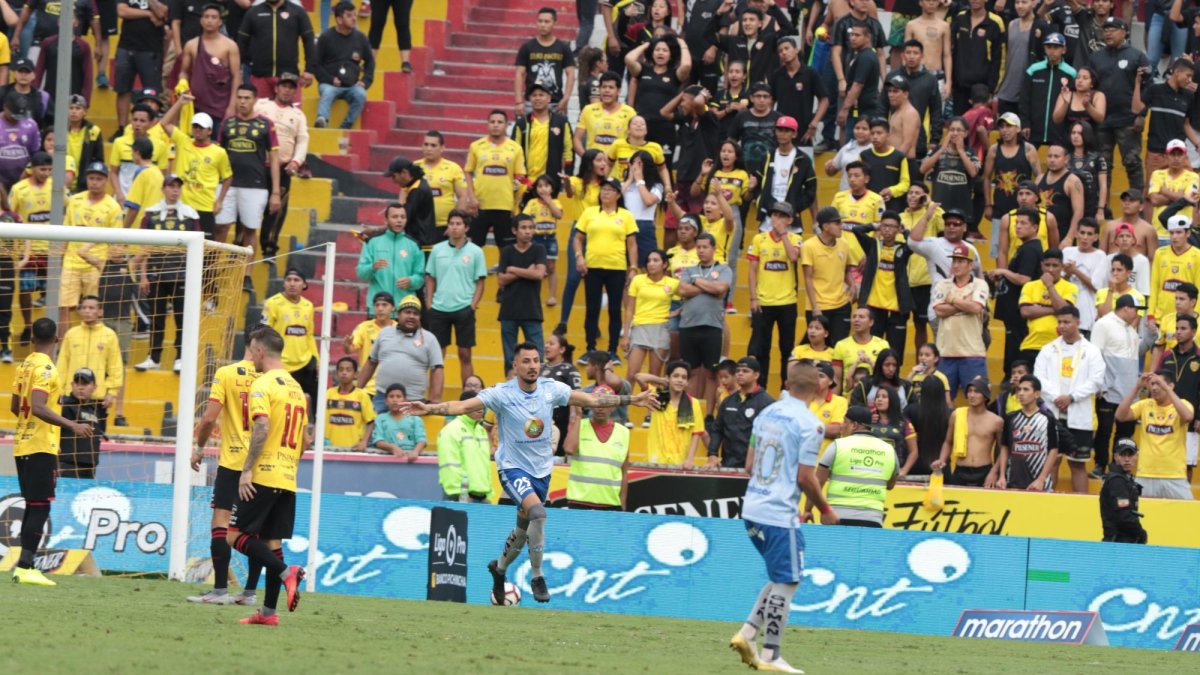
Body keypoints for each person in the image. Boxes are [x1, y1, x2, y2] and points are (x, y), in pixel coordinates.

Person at [403, 342, 657, 604]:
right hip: (513, 468)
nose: (532, 365)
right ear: (515, 366)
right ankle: (537, 575)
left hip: (541, 471)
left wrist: (633, 399)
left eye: (536, 360)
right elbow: (462, 406)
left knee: (523, 529)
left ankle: (499, 568)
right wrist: (429, 408)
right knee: (538, 513)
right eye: (526, 361)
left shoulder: (551, 390)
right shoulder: (502, 393)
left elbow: (591, 399)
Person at [730, 361, 836, 674]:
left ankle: (747, 633)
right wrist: (825, 509)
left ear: (787, 383)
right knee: (789, 580)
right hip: (778, 513)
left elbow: (750, 464)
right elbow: (806, 477)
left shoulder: (766, 413)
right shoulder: (811, 425)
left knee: (779, 577)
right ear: (819, 388)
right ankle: (771, 654)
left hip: (752, 508)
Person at [225, 327, 308, 626]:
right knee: (272, 542)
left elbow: (261, 427)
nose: (250, 357)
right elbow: (305, 439)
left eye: (251, 351)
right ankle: (268, 614)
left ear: (259, 350)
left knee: (234, 536)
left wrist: (247, 470)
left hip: (264, 473)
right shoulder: (297, 389)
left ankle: (289, 573)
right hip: (287, 476)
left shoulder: (262, 383)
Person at [10, 318, 93, 586]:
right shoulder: (47, 369)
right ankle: (25, 566)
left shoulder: (24, 366)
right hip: (40, 446)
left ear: (32, 338)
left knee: (33, 506)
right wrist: (72, 424)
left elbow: (15, 406)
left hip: (22, 443)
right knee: (41, 506)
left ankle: (25, 565)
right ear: (56, 340)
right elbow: (38, 406)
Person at [189, 342, 262, 605]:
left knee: (220, 522)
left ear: (249, 344)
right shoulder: (273, 379)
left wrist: (199, 448)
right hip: (262, 463)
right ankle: (250, 593)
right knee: (256, 530)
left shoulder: (227, 373)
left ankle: (219, 591)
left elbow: (209, 419)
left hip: (233, 461)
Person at [132, 174, 202, 372]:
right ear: (163, 189)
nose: (175, 190)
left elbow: (198, 247)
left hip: (182, 276)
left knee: (182, 318)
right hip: (156, 274)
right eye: (171, 186)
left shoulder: (190, 214)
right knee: (156, 318)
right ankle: (154, 358)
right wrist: (143, 276)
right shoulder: (151, 214)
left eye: (178, 187)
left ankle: (180, 358)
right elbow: (144, 247)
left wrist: (194, 277)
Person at [1033, 306, 1104, 494]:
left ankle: (1081, 505)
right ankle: (1046, 500)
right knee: (1051, 462)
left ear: (1078, 323)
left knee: (1078, 464)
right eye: (1059, 322)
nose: (1062, 326)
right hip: (1052, 413)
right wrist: (1057, 397)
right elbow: (1038, 377)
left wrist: (1072, 397)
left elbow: (1096, 380)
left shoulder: (1092, 351)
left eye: (1067, 322)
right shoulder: (1048, 349)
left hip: (1079, 415)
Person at [217, 84, 282, 262]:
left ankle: (246, 275)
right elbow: (217, 155)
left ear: (254, 100)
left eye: (247, 98)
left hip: (255, 185)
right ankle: (211, 272)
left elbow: (274, 158)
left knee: (250, 229)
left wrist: (275, 192)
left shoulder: (265, 125)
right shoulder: (227, 123)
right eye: (239, 97)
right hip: (227, 185)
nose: (242, 101)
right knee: (221, 227)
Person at [575, 177, 637, 359]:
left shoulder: (625, 215)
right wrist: (579, 257)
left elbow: (632, 244)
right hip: (592, 267)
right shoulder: (590, 212)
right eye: (603, 190)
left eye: (610, 190)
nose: (605, 193)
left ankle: (612, 350)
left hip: (616, 268)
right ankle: (590, 348)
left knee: (614, 309)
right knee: (592, 309)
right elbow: (578, 238)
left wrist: (632, 267)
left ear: (618, 194)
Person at [424, 210, 487, 385]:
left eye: (458, 224)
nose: (454, 227)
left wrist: (473, 305)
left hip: (464, 308)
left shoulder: (476, 252)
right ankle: (434, 397)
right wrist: (429, 302)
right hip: (439, 308)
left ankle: (467, 397)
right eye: (451, 223)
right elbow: (430, 277)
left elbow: (480, 281)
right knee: (437, 356)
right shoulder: (437, 249)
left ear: (466, 227)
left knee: (465, 353)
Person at [811, 404, 898, 527]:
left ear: (854, 425)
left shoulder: (837, 446)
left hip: (836, 516)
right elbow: (890, 485)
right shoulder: (889, 449)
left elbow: (817, 482)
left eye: (844, 422)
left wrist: (808, 510)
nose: (841, 426)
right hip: (873, 518)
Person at [157, 100, 231, 242]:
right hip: (182, 205)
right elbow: (164, 123)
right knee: (178, 248)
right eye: (195, 126)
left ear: (209, 131)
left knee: (204, 249)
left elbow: (228, 177)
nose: (197, 130)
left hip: (205, 207)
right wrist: (180, 103)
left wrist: (220, 200)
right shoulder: (184, 141)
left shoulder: (219, 153)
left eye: (201, 127)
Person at [61, 163, 123, 330]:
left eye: (99, 179)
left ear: (106, 181)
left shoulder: (113, 207)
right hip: (71, 261)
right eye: (91, 178)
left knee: (93, 307)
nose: (94, 182)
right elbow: (65, 230)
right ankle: (63, 346)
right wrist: (61, 255)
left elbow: (115, 241)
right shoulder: (75, 201)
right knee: (64, 306)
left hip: (96, 264)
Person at [747, 202, 802, 389]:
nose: (777, 220)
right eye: (774, 215)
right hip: (764, 302)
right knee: (762, 349)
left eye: (782, 216)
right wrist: (753, 298)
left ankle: (785, 389)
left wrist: (784, 234)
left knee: (787, 348)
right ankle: (760, 389)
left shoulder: (795, 238)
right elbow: (752, 270)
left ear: (790, 220)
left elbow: (793, 257)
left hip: (787, 301)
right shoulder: (759, 239)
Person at [1091, 18, 1148, 196]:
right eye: (1105, 29)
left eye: (1113, 29)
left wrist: (1141, 115)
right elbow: (1089, 86)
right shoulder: (1096, 57)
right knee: (1102, 166)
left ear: (1124, 32)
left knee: (1132, 163)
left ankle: (1136, 204)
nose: (1107, 32)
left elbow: (1148, 87)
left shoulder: (1137, 56)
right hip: (1102, 121)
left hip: (1128, 121)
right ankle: (1103, 207)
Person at [357, 294, 443, 412]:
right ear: (398, 314)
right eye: (407, 312)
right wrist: (356, 391)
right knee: (374, 429)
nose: (411, 316)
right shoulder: (384, 333)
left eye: (415, 313)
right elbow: (371, 362)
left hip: (414, 402)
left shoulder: (430, 339)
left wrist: (435, 400)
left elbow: (437, 370)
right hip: (383, 398)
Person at [1116, 370, 1194, 500]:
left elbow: (1187, 416)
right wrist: (1137, 387)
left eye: (1158, 384)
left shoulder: (1183, 404)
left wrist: (1167, 390)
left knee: (1188, 515)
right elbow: (1120, 416)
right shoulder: (1145, 405)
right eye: (1152, 384)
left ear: (1171, 386)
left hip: (1174, 475)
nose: (1154, 388)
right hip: (1145, 474)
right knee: (1141, 517)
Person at [677, 231, 733, 407]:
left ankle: (709, 414)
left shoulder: (723, 269)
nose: (701, 250)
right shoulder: (689, 270)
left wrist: (697, 282)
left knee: (711, 373)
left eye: (705, 247)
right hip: (688, 325)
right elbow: (683, 290)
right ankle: (689, 411)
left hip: (712, 326)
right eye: (698, 247)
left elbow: (721, 288)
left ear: (713, 249)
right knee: (690, 372)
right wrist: (709, 287)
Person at [56, 295, 122, 433]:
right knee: (66, 438)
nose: (87, 311)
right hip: (70, 399)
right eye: (84, 307)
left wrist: (112, 392)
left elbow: (115, 366)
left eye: (91, 308)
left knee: (93, 441)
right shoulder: (71, 334)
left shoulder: (109, 335)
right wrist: (59, 391)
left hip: (97, 400)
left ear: (100, 311)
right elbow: (62, 364)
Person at [931, 242, 991, 396]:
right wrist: (965, 302)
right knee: (942, 401)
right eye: (954, 261)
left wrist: (951, 300)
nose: (955, 265)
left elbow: (976, 308)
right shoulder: (942, 285)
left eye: (961, 261)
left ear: (970, 265)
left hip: (972, 352)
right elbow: (939, 311)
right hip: (945, 352)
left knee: (978, 397)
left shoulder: (980, 284)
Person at [1091, 294, 1141, 477]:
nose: (1137, 314)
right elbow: (1094, 354)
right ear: (1126, 308)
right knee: (1104, 430)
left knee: (1125, 432)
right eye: (1136, 310)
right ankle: (1100, 465)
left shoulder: (1132, 330)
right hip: (1108, 390)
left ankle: (1117, 467)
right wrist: (1099, 384)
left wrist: (1150, 337)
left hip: (1128, 393)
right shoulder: (1103, 324)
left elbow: (1132, 357)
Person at [851, 210, 911, 361]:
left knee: (895, 352)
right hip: (874, 306)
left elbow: (913, 245)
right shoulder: (873, 245)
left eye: (892, 227)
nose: (887, 229)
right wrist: (874, 225)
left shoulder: (902, 249)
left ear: (898, 229)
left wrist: (906, 232)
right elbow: (856, 230)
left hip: (897, 307)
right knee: (874, 349)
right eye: (884, 226)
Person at [465, 110, 526, 249]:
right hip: (480, 205)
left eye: (500, 122)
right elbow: (468, 172)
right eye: (492, 122)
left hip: (505, 205)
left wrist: (515, 204)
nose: (495, 125)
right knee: (474, 247)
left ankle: (504, 271)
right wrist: (472, 198)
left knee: (506, 249)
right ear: (487, 125)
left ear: (506, 125)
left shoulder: (515, 148)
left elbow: (520, 177)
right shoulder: (476, 146)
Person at [259, 268, 318, 413]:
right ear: (284, 283)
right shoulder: (272, 303)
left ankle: (317, 433)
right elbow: (263, 333)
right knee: (281, 403)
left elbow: (309, 334)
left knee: (318, 396)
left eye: (296, 280)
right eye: (288, 280)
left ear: (304, 285)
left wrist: (316, 358)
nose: (292, 283)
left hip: (304, 362)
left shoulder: (308, 306)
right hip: (281, 363)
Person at [564, 385, 631, 510]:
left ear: (613, 406)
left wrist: (622, 504)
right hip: (579, 502)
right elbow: (569, 449)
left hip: (611, 503)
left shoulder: (624, 432)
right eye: (597, 402)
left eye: (604, 403)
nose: (600, 408)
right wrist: (578, 416)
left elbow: (624, 472)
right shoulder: (580, 426)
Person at [313, 2, 374, 130]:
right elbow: (316, 64)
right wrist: (330, 80)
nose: (354, 18)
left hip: (352, 85)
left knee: (361, 95)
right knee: (328, 92)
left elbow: (370, 62)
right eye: (349, 15)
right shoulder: (326, 37)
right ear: (339, 19)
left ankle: (346, 126)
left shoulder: (361, 38)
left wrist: (365, 81)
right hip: (329, 83)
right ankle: (322, 119)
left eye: (355, 15)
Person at [800, 206, 856, 347]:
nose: (841, 226)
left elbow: (846, 270)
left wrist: (852, 284)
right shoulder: (809, 246)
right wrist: (815, 308)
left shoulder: (843, 244)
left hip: (841, 304)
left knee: (839, 347)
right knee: (819, 348)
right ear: (825, 226)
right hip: (820, 305)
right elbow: (808, 278)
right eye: (837, 223)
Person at [356, 203, 425, 317]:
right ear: (386, 220)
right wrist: (372, 268)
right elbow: (361, 273)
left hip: (404, 309)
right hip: (379, 309)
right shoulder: (372, 242)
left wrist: (411, 281)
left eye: (402, 217)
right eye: (395, 217)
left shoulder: (414, 245)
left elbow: (420, 277)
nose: (399, 220)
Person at [237, 0, 316, 99]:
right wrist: (237, 71)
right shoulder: (253, 12)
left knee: (290, 114)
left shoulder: (298, 11)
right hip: (260, 76)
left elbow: (309, 40)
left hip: (289, 78)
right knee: (261, 113)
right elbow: (241, 43)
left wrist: (309, 70)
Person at [934, 377, 1004, 486]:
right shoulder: (957, 415)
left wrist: (994, 472)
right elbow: (948, 442)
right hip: (960, 470)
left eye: (976, 391)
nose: (972, 395)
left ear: (985, 396)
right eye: (970, 391)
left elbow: (1003, 449)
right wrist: (942, 459)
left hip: (984, 470)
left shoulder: (996, 421)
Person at [635, 361, 707, 468]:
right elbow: (639, 377)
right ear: (668, 378)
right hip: (655, 460)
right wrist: (661, 381)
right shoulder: (656, 396)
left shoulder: (694, 403)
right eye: (676, 376)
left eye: (684, 377)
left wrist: (689, 460)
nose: (680, 380)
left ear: (687, 382)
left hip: (680, 463)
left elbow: (696, 433)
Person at [498, 214, 548, 365]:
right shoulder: (507, 251)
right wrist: (527, 271)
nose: (528, 231)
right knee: (510, 359)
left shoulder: (539, 249)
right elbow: (501, 280)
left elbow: (539, 274)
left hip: (532, 311)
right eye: (524, 228)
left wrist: (513, 270)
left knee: (537, 357)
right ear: (515, 231)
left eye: (531, 228)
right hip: (508, 311)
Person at [1155, 313, 1200, 481]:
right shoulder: (1167, 355)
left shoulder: (1199, 357)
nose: (1178, 332)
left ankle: (1185, 503)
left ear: (1193, 331)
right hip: (1164, 416)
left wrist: (1199, 417)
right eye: (1177, 328)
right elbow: (1158, 382)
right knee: (1163, 458)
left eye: (1183, 329)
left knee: (1186, 463)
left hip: (1188, 417)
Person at [708, 357, 774, 470]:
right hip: (728, 466)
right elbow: (717, 429)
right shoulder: (728, 401)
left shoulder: (767, 403)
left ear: (756, 375)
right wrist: (712, 454)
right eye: (738, 371)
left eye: (745, 371)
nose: (740, 374)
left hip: (755, 469)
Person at [998, 374, 1061, 491]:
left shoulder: (1048, 418)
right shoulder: (1010, 418)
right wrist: (1002, 476)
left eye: (1026, 389)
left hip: (1040, 484)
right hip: (1013, 481)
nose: (1021, 393)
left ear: (1037, 394)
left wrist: (1041, 479)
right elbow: (1005, 447)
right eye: (1019, 389)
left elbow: (1053, 450)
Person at [179, 4, 240, 123]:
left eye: (214, 17)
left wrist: (232, 106)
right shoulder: (191, 45)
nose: (209, 20)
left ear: (220, 22)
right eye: (206, 17)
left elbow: (236, 77)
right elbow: (184, 72)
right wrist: (182, 86)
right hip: (195, 104)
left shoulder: (230, 46)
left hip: (221, 105)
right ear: (201, 20)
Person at [622, 249, 676, 380]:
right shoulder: (638, 280)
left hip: (661, 328)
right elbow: (629, 309)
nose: (651, 264)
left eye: (656, 260)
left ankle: (649, 400)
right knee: (631, 374)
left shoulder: (673, 283)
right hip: (640, 326)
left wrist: (677, 312)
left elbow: (688, 298)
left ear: (664, 264)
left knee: (653, 376)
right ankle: (626, 401)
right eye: (649, 261)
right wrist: (625, 336)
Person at [770, 36, 828, 156]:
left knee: (804, 168)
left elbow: (824, 99)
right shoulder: (777, 75)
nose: (784, 53)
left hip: (804, 131)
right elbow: (771, 101)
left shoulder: (810, 73)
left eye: (787, 48)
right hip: (782, 131)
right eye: (780, 51)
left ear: (796, 50)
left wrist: (814, 123)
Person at [512, 82, 574, 195]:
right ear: (530, 99)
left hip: (551, 183)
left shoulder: (561, 122)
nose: (537, 98)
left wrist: (567, 176)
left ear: (549, 98)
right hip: (527, 184)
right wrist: (521, 180)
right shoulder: (522, 123)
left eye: (541, 95)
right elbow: (513, 153)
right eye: (534, 95)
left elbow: (568, 151)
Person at [1019, 248, 1079, 364]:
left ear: (1062, 267)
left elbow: (1064, 311)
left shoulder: (1070, 287)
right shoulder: (1029, 286)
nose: (1050, 269)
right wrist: (1054, 310)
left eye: (1055, 266)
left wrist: (1049, 285)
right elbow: (1025, 312)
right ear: (1042, 265)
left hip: (1059, 346)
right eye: (1047, 265)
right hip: (1031, 345)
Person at [113, 0, 167, 129]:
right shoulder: (146, 13)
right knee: (122, 89)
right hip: (126, 46)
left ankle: (150, 129)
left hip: (150, 48)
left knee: (152, 93)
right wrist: (148, 13)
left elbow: (162, 13)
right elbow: (122, 11)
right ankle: (122, 128)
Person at [920, 117, 980, 228]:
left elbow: (973, 173)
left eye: (959, 130)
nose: (955, 133)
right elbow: (923, 168)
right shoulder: (937, 150)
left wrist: (961, 151)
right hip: (938, 210)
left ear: (966, 133)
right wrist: (942, 149)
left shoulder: (970, 152)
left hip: (962, 211)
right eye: (952, 130)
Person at [514, 6, 575, 117]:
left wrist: (566, 99)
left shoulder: (563, 47)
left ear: (554, 23)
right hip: (531, 102)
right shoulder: (527, 47)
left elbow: (570, 73)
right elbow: (519, 73)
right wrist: (518, 101)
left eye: (547, 21)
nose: (542, 25)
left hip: (556, 102)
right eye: (540, 21)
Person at [948, 0, 1004, 114]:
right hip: (960, 86)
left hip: (982, 89)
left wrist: (992, 90)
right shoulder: (960, 18)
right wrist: (951, 82)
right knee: (960, 127)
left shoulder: (996, 22)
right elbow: (951, 51)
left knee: (980, 129)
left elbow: (1000, 59)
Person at [438, 391, 493, 503]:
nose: (480, 410)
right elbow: (450, 465)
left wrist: (489, 494)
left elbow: (485, 466)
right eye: (475, 406)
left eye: (482, 406)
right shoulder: (451, 430)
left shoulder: (481, 431)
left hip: (482, 497)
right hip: (460, 497)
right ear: (464, 407)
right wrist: (461, 495)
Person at [1148, 215, 1200, 331]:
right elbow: (1154, 285)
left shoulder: (1197, 256)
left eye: (1178, 232)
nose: (1174, 237)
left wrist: (1196, 314)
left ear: (1188, 233)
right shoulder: (1160, 253)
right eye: (1171, 233)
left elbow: (1199, 288)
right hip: (1160, 318)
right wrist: (1150, 314)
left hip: (1186, 320)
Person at [415, 131, 468, 241]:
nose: (429, 148)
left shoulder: (453, 168)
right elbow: (404, 197)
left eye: (433, 145)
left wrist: (455, 225)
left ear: (442, 148)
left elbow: (462, 196)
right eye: (426, 144)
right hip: (419, 225)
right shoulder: (414, 167)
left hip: (444, 226)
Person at [1147, 140, 1199, 244]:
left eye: (1179, 154)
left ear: (1185, 156)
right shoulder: (1157, 174)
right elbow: (1154, 200)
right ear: (1166, 156)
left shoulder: (1193, 176)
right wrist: (1180, 198)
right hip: (1159, 233)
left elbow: (1189, 199)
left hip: (1183, 234)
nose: (1176, 158)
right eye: (1172, 154)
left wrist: (1164, 191)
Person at [58, 368, 105, 479]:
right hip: (66, 466)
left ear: (94, 387)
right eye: (77, 383)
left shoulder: (96, 409)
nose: (80, 387)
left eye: (85, 383)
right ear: (72, 384)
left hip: (90, 468)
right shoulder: (62, 405)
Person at [1099, 439, 1148, 544]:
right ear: (1115, 456)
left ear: (1136, 457)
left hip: (1119, 541)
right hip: (1118, 543)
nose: (1127, 459)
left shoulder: (1124, 478)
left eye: (1130, 455)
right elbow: (1123, 515)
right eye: (1123, 455)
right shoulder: (1117, 481)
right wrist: (1141, 533)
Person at [831, 308, 891, 394]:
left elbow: (887, 375)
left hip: (876, 398)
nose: (856, 320)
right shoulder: (841, 345)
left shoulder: (883, 345)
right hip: (850, 399)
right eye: (854, 317)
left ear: (871, 322)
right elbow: (836, 378)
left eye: (861, 317)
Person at [856, 118, 910, 212]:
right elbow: (859, 180)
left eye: (879, 133)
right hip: (868, 207)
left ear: (888, 136)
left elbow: (905, 183)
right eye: (872, 133)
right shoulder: (864, 156)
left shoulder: (899, 157)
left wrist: (892, 191)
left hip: (892, 207)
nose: (875, 137)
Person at [324, 357, 376, 452]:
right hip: (329, 448)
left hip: (353, 448)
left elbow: (371, 422)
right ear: (337, 373)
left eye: (348, 370)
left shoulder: (362, 395)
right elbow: (320, 419)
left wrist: (364, 441)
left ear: (355, 374)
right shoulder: (329, 393)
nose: (344, 373)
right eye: (341, 370)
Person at [369, 383, 426, 460]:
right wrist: (392, 447)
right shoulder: (380, 419)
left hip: (411, 458)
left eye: (398, 397)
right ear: (386, 401)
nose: (395, 400)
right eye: (391, 396)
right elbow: (378, 441)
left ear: (405, 400)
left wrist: (415, 452)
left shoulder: (415, 418)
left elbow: (421, 439)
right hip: (386, 459)